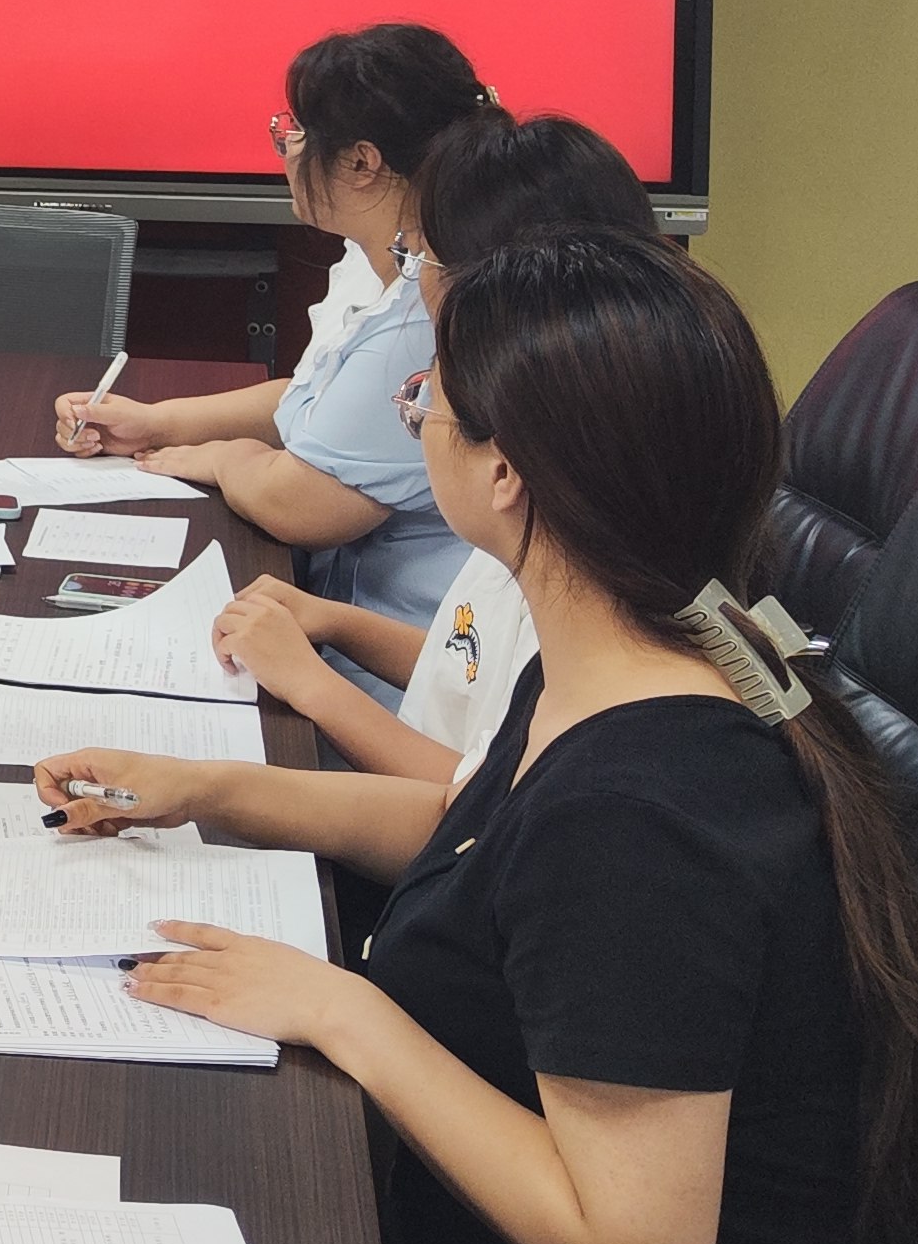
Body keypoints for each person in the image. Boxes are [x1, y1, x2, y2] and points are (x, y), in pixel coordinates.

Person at [35, 231, 918, 1244]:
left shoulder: (643, 817)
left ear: (505, 473)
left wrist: (343, 1009)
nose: (412, 414)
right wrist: (212, 791)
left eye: (429, 400)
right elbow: (472, 830)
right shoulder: (635, 647)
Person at [213, 110, 662, 784]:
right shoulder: (526, 527)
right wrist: (333, 623)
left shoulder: (574, 558)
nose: (414, 278)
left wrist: (307, 684)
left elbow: (478, 808)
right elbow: (471, 667)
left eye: (424, 403)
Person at [54, 22, 491, 693]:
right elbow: (317, 396)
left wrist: (222, 459)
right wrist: (160, 423)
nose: (286, 146)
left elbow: (304, 504)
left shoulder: (423, 307)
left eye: (297, 130)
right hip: (346, 623)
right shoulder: (376, 257)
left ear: (362, 162)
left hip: (413, 664)